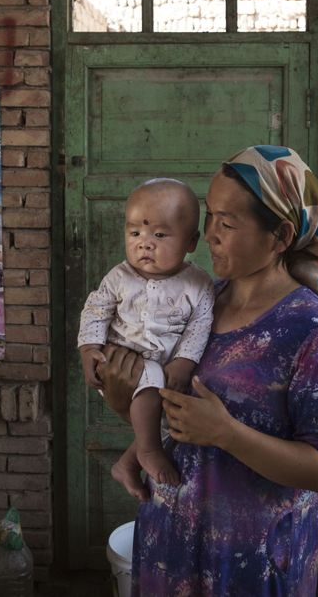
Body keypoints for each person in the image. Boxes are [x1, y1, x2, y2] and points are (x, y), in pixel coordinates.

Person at [97, 145, 318, 596]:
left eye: (227, 222)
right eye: (209, 216)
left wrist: (228, 434)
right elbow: (182, 420)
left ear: (278, 236)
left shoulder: (310, 330)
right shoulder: (202, 302)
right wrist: (130, 412)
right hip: (171, 546)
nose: (208, 234)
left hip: (250, 567)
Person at [78, 178, 214, 488]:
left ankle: (127, 463)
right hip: (121, 365)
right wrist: (88, 348)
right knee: (153, 393)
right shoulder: (119, 276)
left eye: (160, 234)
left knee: (170, 420)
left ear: (191, 242)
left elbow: (200, 325)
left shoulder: (199, 284)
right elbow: (96, 310)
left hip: (169, 370)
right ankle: (149, 452)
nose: (145, 243)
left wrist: (184, 361)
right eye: (135, 232)